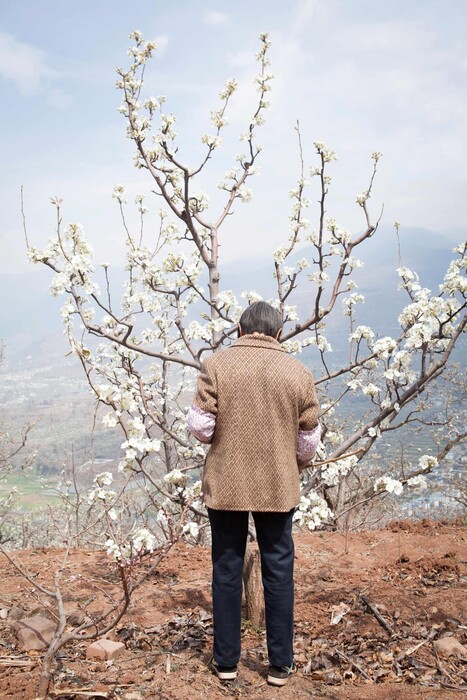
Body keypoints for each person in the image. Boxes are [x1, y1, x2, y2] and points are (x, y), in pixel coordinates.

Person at [187, 301, 320, 686]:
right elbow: (308, 439)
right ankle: (280, 665)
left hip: (227, 482)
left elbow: (201, 428)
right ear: (279, 333)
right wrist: (290, 462)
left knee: (226, 569)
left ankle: (226, 661)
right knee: (279, 570)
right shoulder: (298, 372)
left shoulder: (216, 365)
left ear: (240, 331)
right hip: (277, 485)